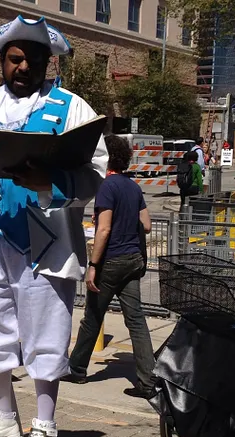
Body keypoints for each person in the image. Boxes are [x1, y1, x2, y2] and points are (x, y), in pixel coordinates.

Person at [0, 15, 107, 437]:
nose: (24, 68)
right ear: (2, 60)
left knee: (45, 332)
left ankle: (46, 427)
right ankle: (2, 417)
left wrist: (50, 181)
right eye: (16, 59)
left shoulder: (71, 108)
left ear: (47, 63)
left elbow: (94, 176)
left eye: (34, 60)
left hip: (43, 243)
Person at [64, 135, 155, 397]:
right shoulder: (133, 187)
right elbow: (147, 225)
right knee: (136, 321)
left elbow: (103, 230)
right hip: (133, 259)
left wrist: (93, 264)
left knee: (92, 317)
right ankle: (148, 381)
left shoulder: (106, 187)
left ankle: (77, 369)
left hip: (111, 262)